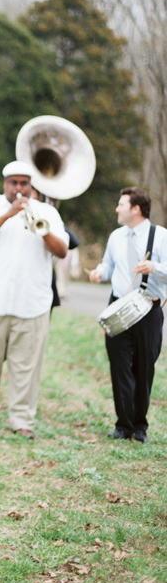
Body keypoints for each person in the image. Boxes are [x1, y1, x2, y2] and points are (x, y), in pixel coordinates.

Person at [0, 161, 68, 439]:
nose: (19, 188)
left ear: (31, 186)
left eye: (24, 183)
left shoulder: (47, 212)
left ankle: (22, 420)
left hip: (32, 303)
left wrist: (43, 229)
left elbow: (62, 250)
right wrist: (9, 215)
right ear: (5, 184)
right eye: (14, 183)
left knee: (26, 366)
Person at [89, 187, 167, 443]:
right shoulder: (115, 236)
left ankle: (140, 426)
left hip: (148, 308)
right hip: (119, 306)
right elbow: (109, 265)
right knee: (119, 366)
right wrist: (100, 272)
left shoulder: (161, 236)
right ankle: (123, 425)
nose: (116, 209)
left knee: (144, 368)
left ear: (136, 208)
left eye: (121, 204)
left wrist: (154, 267)